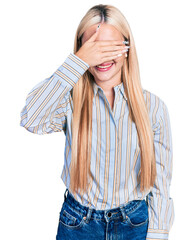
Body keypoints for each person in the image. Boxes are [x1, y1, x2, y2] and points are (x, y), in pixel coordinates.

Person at [20, 4, 175, 240]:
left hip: (134, 223)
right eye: (93, 48)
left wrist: (157, 233)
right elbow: (31, 118)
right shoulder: (69, 102)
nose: (101, 57)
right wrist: (78, 61)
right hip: (78, 224)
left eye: (109, 47)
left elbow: (161, 183)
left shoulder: (153, 107)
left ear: (126, 48)